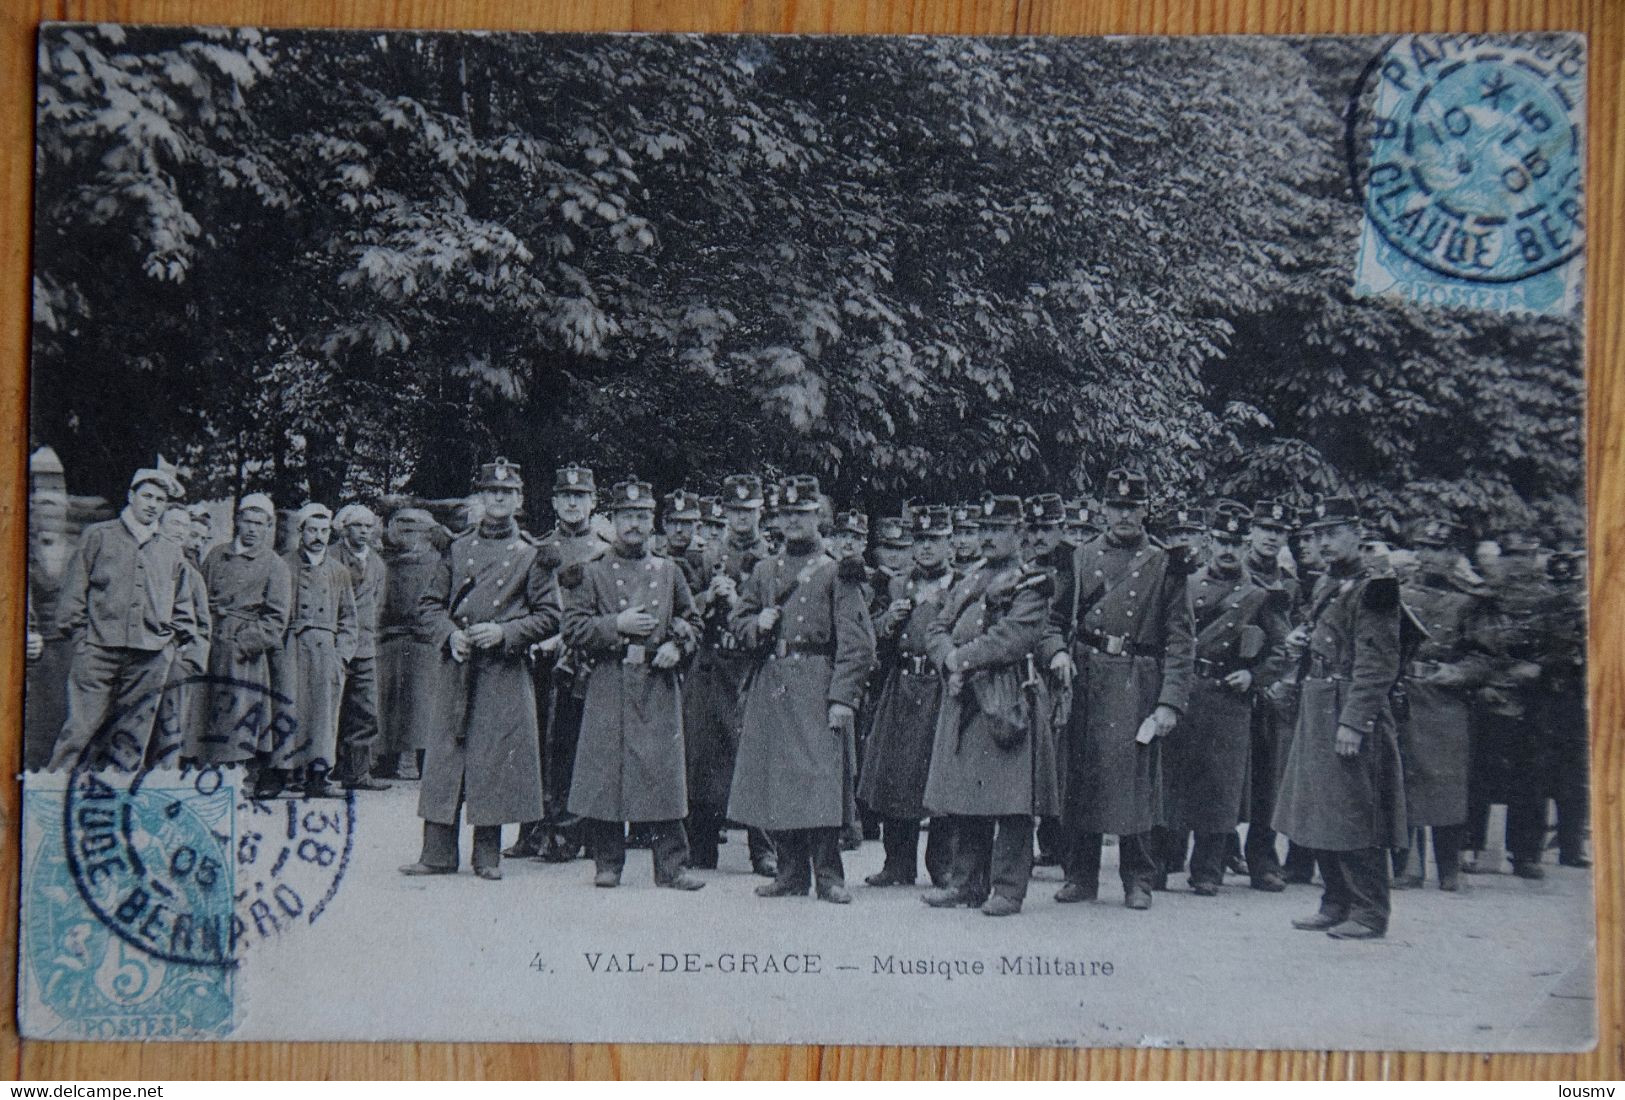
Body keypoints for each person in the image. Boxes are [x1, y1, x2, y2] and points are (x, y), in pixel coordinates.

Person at [1047, 467, 1195, 910]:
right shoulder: (1079, 557)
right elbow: (1053, 621)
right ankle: (1081, 875)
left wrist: (1170, 702)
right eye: (1116, 506)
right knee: (1082, 776)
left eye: (1133, 506)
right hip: (1088, 676)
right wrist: (1056, 652)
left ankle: (1139, 878)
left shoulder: (1166, 564)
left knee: (1135, 781)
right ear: (1103, 509)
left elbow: (1180, 639)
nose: (1124, 514)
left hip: (1138, 678)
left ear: (1145, 509)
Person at [403, 459, 556, 881]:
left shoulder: (531, 555)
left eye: (507, 493)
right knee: (446, 757)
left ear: (519, 500)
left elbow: (550, 616)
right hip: (458, 665)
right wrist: (450, 634)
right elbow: (429, 606)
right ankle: (435, 852)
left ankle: (487, 855)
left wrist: (505, 632)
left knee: (494, 757)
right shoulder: (456, 548)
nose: (499, 499)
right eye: (492, 492)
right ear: (481, 497)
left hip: (503, 670)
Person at [728, 475, 876, 904]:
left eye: (802, 513)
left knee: (820, 779)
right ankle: (791, 874)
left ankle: (829, 875)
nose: (793, 521)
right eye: (786, 514)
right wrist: (756, 625)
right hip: (773, 683)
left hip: (816, 681)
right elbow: (738, 623)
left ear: (818, 517)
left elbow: (858, 643)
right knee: (780, 778)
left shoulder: (836, 571)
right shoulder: (764, 570)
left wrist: (843, 698)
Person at [1273, 495, 1408, 940]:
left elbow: (1378, 663)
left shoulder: (1375, 589)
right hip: (1318, 703)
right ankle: (1334, 902)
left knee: (1356, 812)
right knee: (1319, 811)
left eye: (1333, 534)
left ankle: (1369, 911)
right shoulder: (1328, 583)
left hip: (1349, 708)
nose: (1324, 543)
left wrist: (1355, 721)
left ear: (1357, 532)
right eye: (1318, 535)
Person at [920, 495, 1059, 916]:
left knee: (1012, 801)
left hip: (1007, 695)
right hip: (967, 695)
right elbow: (937, 627)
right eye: (984, 530)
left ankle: (1008, 889)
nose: (989, 538)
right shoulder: (968, 580)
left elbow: (1015, 637)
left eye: (999, 529)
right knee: (968, 795)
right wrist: (946, 657)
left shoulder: (1031, 582)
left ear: (1018, 533)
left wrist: (961, 659)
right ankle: (966, 884)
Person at [563, 478, 705, 890]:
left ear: (652, 522)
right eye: (627, 516)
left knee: (663, 773)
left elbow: (693, 622)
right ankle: (608, 863)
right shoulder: (593, 571)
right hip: (609, 679)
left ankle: (672, 867)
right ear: (613, 520)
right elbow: (572, 628)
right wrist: (615, 625)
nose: (635, 525)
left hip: (657, 683)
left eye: (643, 517)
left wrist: (678, 646)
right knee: (607, 771)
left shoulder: (669, 570)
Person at [1160, 502, 1290, 895]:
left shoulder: (1260, 595)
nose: (1228, 548)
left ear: (1245, 542)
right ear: (1208, 540)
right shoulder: (1185, 582)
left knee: (1219, 787)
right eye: (1221, 540)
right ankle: (1163, 864)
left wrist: (1254, 675)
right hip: (1186, 689)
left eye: (1236, 541)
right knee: (1172, 781)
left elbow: (1283, 650)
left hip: (1227, 698)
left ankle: (1208, 870)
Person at [49, 465, 199, 771]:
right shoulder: (99, 536)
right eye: (147, 496)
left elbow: (183, 603)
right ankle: (52, 802)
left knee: (131, 738)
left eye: (160, 499)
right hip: (98, 651)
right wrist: (81, 639)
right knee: (79, 731)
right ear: (131, 496)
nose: (152, 504)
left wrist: (171, 646)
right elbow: (73, 593)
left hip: (149, 657)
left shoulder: (171, 550)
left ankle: (115, 806)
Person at [508, 464, 611, 862]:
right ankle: (531, 829)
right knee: (533, 741)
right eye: (566, 497)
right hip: (537, 656)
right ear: (554, 501)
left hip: (582, 660)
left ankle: (572, 831)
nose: (573, 503)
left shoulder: (604, 550)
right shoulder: (536, 548)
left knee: (575, 743)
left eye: (580, 497)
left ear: (592, 502)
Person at [859, 505, 959, 888]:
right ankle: (897, 863)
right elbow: (872, 633)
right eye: (920, 540)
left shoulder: (961, 584)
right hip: (902, 685)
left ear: (949, 542)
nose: (927, 548)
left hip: (940, 687)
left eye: (935, 540)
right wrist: (889, 621)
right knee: (895, 777)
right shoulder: (898, 585)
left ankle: (942, 864)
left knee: (939, 778)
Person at [1394, 517, 1496, 891]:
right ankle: (1407, 866)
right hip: (1404, 695)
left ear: (1454, 555)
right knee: (1402, 779)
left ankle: (1450, 867)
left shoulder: (1469, 603)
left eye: (1437, 549)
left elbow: (1484, 657)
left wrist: (1456, 673)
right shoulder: (1398, 594)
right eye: (1422, 547)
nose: (1427, 556)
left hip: (1445, 702)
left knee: (1447, 781)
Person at [683, 474, 776, 876]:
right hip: (711, 664)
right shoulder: (705, 558)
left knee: (757, 757)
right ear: (725, 512)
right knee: (704, 756)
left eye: (749, 511)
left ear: (760, 512)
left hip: (753, 665)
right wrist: (708, 597)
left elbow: (778, 612)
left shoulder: (775, 558)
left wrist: (740, 604)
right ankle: (702, 846)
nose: (742, 518)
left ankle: (764, 849)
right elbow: (683, 609)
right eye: (735, 510)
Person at [185, 493, 291, 769]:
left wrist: (242, 643)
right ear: (238, 522)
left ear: (268, 527)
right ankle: (201, 769)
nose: (253, 529)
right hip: (210, 641)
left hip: (243, 652)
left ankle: (236, 774)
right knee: (202, 709)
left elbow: (276, 619)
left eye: (260, 523)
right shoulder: (217, 555)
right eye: (248, 521)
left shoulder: (275, 565)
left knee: (237, 713)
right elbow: (198, 596)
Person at [1470, 529, 1551, 879]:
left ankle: (1526, 854)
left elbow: (1570, 645)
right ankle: (1470, 848)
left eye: (1526, 555)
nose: (1519, 563)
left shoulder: (1551, 601)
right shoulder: (1482, 601)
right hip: (1488, 696)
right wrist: (1482, 684)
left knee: (1531, 779)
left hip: (1533, 701)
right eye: (1512, 556)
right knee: (1478, 775)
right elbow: (1468, 646)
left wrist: (1541, 666)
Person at [266, 502, 358, 798]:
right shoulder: (283, 564)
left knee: (323, 712)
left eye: (323, 530)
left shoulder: (339, 571)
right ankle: (278, 774)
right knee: (285, 706)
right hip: (290, 644)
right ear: (301, 531)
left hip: (325, 649)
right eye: (312, 530)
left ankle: (318, 776)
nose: (318, 536)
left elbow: (348, 618)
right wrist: (277, 650)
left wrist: (340, 655)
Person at [1240, 498, 1301, 888]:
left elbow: (1293, 637)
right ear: (1251, 532)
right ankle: (1209, 858)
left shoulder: (1292, 583)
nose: (1271, 537)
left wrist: (1276, 676)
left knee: (1268, 777)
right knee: (1222, 772)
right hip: (1233, 683)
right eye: (1265, 529)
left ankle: (1262, 860)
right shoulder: (1234, 573)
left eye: (1278, 532)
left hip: (1273, 687)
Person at [374, 507, 446, 780]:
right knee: (389, 704)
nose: (405, 535)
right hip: (390, 639)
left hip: (425, 642)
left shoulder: (438, 562)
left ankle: (426, 761)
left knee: (424, 707)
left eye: (412, 529)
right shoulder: (387, 562)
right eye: (401, 528)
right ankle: (386, 760)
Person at [1538, 548, 1588, 868]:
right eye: (1557, 585)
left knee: (1573, 779)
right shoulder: (1539, 615)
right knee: (1538, 778)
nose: (1562, 592)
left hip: (1572, 704)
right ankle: (1533, 848)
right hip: (1541, 703)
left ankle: (1571, 847)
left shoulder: (1586, 616)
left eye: (1566, 585)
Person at [152, 503, 213, 765]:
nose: (194, 542)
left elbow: (202, 625)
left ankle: (165, 781)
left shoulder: (191, 573)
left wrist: (189, 660)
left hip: (175, 662)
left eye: (185, 528)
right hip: (141, 658)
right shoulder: (147, 561)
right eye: (177, 526)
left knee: (168, 728)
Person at [334, 503, 389, 790]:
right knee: (331, 708)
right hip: (335, 644)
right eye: (358, 526)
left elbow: (376, 603)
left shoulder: (377, 563)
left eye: (368, 527)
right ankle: (325, 770)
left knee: (365, 710)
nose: (364, 532)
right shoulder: (331, 558)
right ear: (344, 528)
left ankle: (358, 773)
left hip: (366, 646)